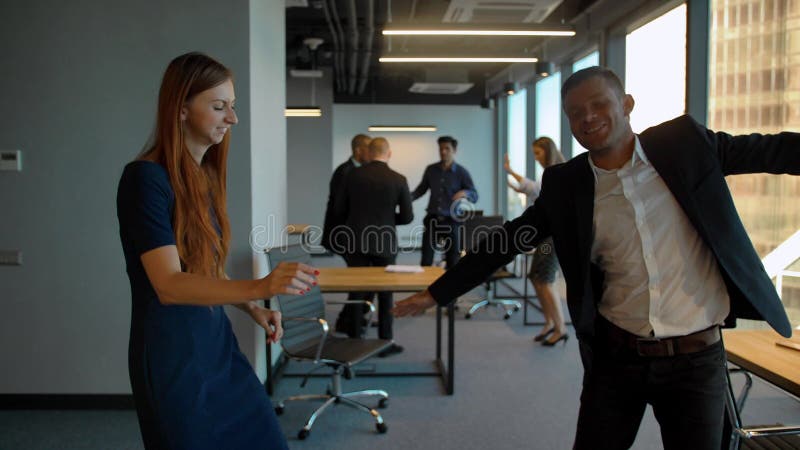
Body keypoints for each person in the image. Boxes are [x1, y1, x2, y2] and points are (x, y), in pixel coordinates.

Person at [394, 66, 797, 450]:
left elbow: (770, 150)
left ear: (626, 104)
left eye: (599, 104)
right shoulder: (566, 185)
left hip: (698, 361)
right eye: (575, 113)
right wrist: (437, 293)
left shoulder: (685, 145)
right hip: (617, 359)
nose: (588, 117)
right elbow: (507, 241)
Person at [116, 52, 317, 450]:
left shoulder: (202, 179)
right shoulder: (145, 180)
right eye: (219, 106)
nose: (233, 118)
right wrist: (259, 287)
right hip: (173, 356)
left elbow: (203, 267)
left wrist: (253, 308)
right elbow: (169, 285)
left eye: (233, 106)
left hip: (216, 346)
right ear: (181, 109)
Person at [334, 137, 413, 356]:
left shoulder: (352, 176)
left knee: (357, 289)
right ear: (389, 153)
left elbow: (339, 209)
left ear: (370, 152)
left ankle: (355, 340)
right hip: (385, 242)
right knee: (386, 291)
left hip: (355, 240)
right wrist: (386, 219)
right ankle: (386, 341)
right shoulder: (398, 179)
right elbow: (407, 217)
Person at [503, 137, 568, 346]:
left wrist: (512, 172)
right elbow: (533, 188)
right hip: (544, 235)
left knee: (546, 280)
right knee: (535, 277)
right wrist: (512, 174)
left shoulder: (559, 171)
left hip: (554, 235)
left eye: (538, 154)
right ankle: (549, 322)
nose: (536, 158)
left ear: (548, 152)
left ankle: (561, 328)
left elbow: (534, 189)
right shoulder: (550, 172)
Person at [412, 136, 478, 269]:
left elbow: (475, 195)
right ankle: (424, 288)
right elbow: (420, 190)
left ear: (454, 150)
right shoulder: (431, 170)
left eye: (447, 148)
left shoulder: (461, 172)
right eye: (441, 149)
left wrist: (466, 193)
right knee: (426, 259)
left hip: (452, 221)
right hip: (433, 219)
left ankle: (449, 289)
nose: (443, 152)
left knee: (453, 260)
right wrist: (405, 198)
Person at [322, 134, 371, 254]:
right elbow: (339, 206)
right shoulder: (345, 172)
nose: (371, 152)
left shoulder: (363, 170)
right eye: (369, 148)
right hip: (345, 232)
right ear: (358, 150)